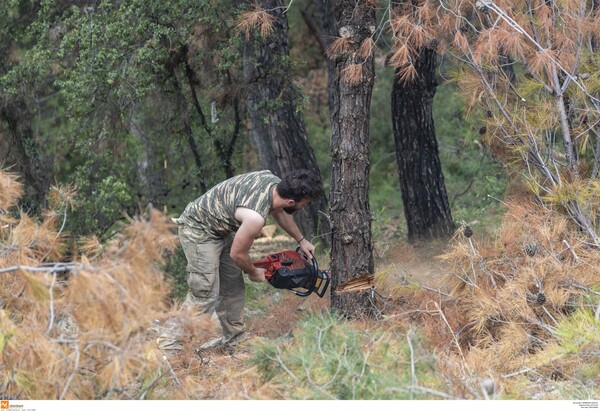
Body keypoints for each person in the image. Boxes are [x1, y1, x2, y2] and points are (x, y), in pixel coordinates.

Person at [158, 169, 323, 351]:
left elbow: (280, 212)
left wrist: (301, 240)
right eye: (304, 204)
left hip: (220, 228)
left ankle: (234, 338)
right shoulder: (255, 218)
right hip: (198, 229)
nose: (304, 207)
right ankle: (170, 344)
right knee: (205, 290)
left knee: (232, 284)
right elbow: (238, 254)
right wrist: (253, 271)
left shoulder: (272, 182)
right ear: (292, 202)